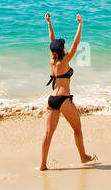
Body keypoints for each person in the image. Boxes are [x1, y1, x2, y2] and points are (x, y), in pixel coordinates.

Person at [39, 14, 95, 171]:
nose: (64, 47)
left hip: (51, 100)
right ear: (62, 49)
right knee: (77, 129)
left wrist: (49, 23)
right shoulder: (65, 61)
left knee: (48, 134)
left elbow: (52, 41)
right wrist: (80, 25)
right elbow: (77, 43)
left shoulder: (53, 61)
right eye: (63, 46)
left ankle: (43, 165)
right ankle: (83, 156)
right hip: (63, 99)